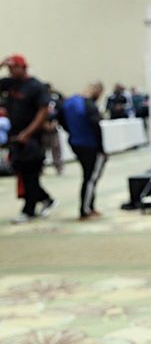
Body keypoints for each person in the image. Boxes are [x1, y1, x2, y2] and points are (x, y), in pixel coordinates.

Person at [0, 54, 55, 223]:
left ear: (23, 67)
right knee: (21, 171)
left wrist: (27, 133)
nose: (10, 71)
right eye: (8, 68)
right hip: (15, 137)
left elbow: (43, 111)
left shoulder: (36, 86)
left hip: (32, 138)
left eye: (13, 67)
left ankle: (29, 209)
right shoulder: (9, 83)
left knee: (30, 173)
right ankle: (45, 199)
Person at [59, 81, 106, 220]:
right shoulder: (89, 105)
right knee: (90, 177)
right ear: (96, 90)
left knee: (88, 176)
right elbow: (96, 127)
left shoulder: (68, 103)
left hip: (75, 142)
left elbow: (61, 120)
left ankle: (89, 207)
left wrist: (71, 133)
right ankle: (85, 209)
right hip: (89, 145)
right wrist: (101, 148)